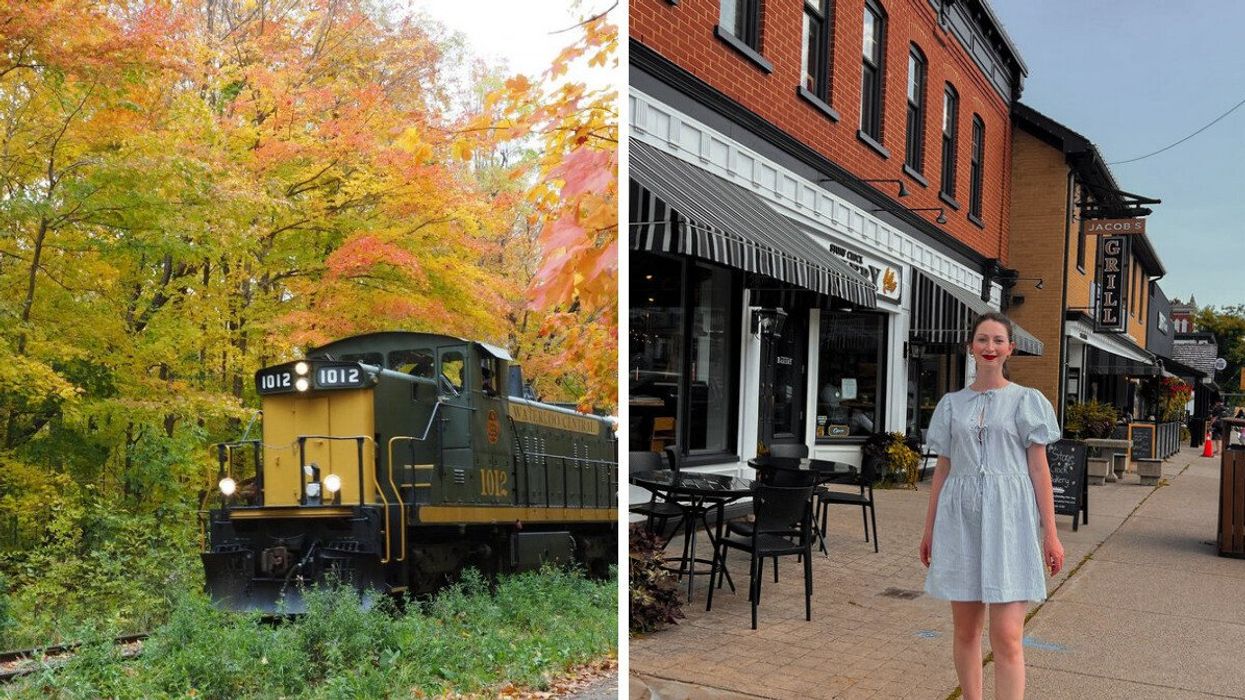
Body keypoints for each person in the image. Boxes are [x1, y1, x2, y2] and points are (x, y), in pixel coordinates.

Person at [919, 311, 1063, 700]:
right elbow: (943, 468)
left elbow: (1038, 467)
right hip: (960, 521)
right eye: (982, 339)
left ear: (1010, 348)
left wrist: (1051, 533)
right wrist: (930, 529)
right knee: (966, 631)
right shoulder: (952, 404)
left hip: (1010, 522)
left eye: (998, 340)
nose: (989, 347)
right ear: (970, 346)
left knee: (1007, 636)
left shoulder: (1025, 401)